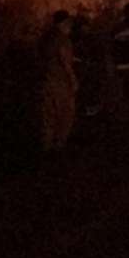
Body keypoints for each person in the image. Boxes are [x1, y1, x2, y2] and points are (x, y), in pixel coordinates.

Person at [37, 10, 77, 152]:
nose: (71, 26)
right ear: (64, 23)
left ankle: (45, 148)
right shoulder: (62, 39)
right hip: (60, 84)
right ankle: (58, 148)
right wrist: (73, 80)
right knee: (65, 115)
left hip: (45, 82)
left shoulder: (44, 38)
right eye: (69, 23)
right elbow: (64, 60)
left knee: (47, 117)